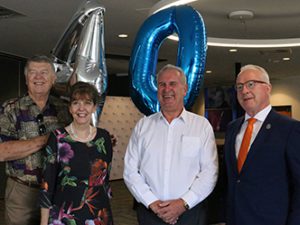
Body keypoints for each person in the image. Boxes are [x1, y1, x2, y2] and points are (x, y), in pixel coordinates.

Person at [123, 64, 218, 225]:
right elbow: (130, 170)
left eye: (173, 84)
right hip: (150, 213)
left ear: (185, 89)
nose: (167, 89)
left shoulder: (201, 126)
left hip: (190, 212)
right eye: (162, 84)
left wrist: (183, 203)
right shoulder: (143, 126)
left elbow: (210, 172)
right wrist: (152, 203)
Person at [223, 64, 300, 225]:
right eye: (239, 86)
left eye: (251, 84)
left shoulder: (290, 129)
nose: (244, 91)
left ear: (267, 88)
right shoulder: (232, 128)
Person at [0, 55, 71, 225]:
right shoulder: (10, 108)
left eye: (44, 73)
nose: (38, 77)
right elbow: (2, 152)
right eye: (33, 72)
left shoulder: (65, 109)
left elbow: (74, 144)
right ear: (26, 79)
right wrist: (46, 140)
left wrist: (95, 140)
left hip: (57, 189)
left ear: (53, 79)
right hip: (21, 191)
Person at [40, 81, 113, 225]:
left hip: (97, 214)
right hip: (64, 216)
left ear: (94, 107)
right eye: (76, 103)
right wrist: (43, 222)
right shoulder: (57, 138)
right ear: (70, 108)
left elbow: (105, 181)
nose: (81, 108)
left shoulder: (104, 138)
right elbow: (47, 184)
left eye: (87, 103)